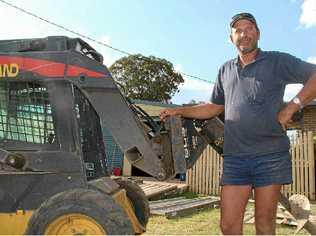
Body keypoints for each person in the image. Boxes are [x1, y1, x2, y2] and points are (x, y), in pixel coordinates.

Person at [160, 12, 316, 235]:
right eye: (238, 30)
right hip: (235, 158)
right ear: (231, 38)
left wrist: (292, 107)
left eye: (249, 28)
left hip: (270, 155)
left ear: (258, 33)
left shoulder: (277, 61)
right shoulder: (225, 70)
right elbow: (214, 107)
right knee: (228, 225)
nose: (244, 34)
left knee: (264, 224)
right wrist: (180, 110)